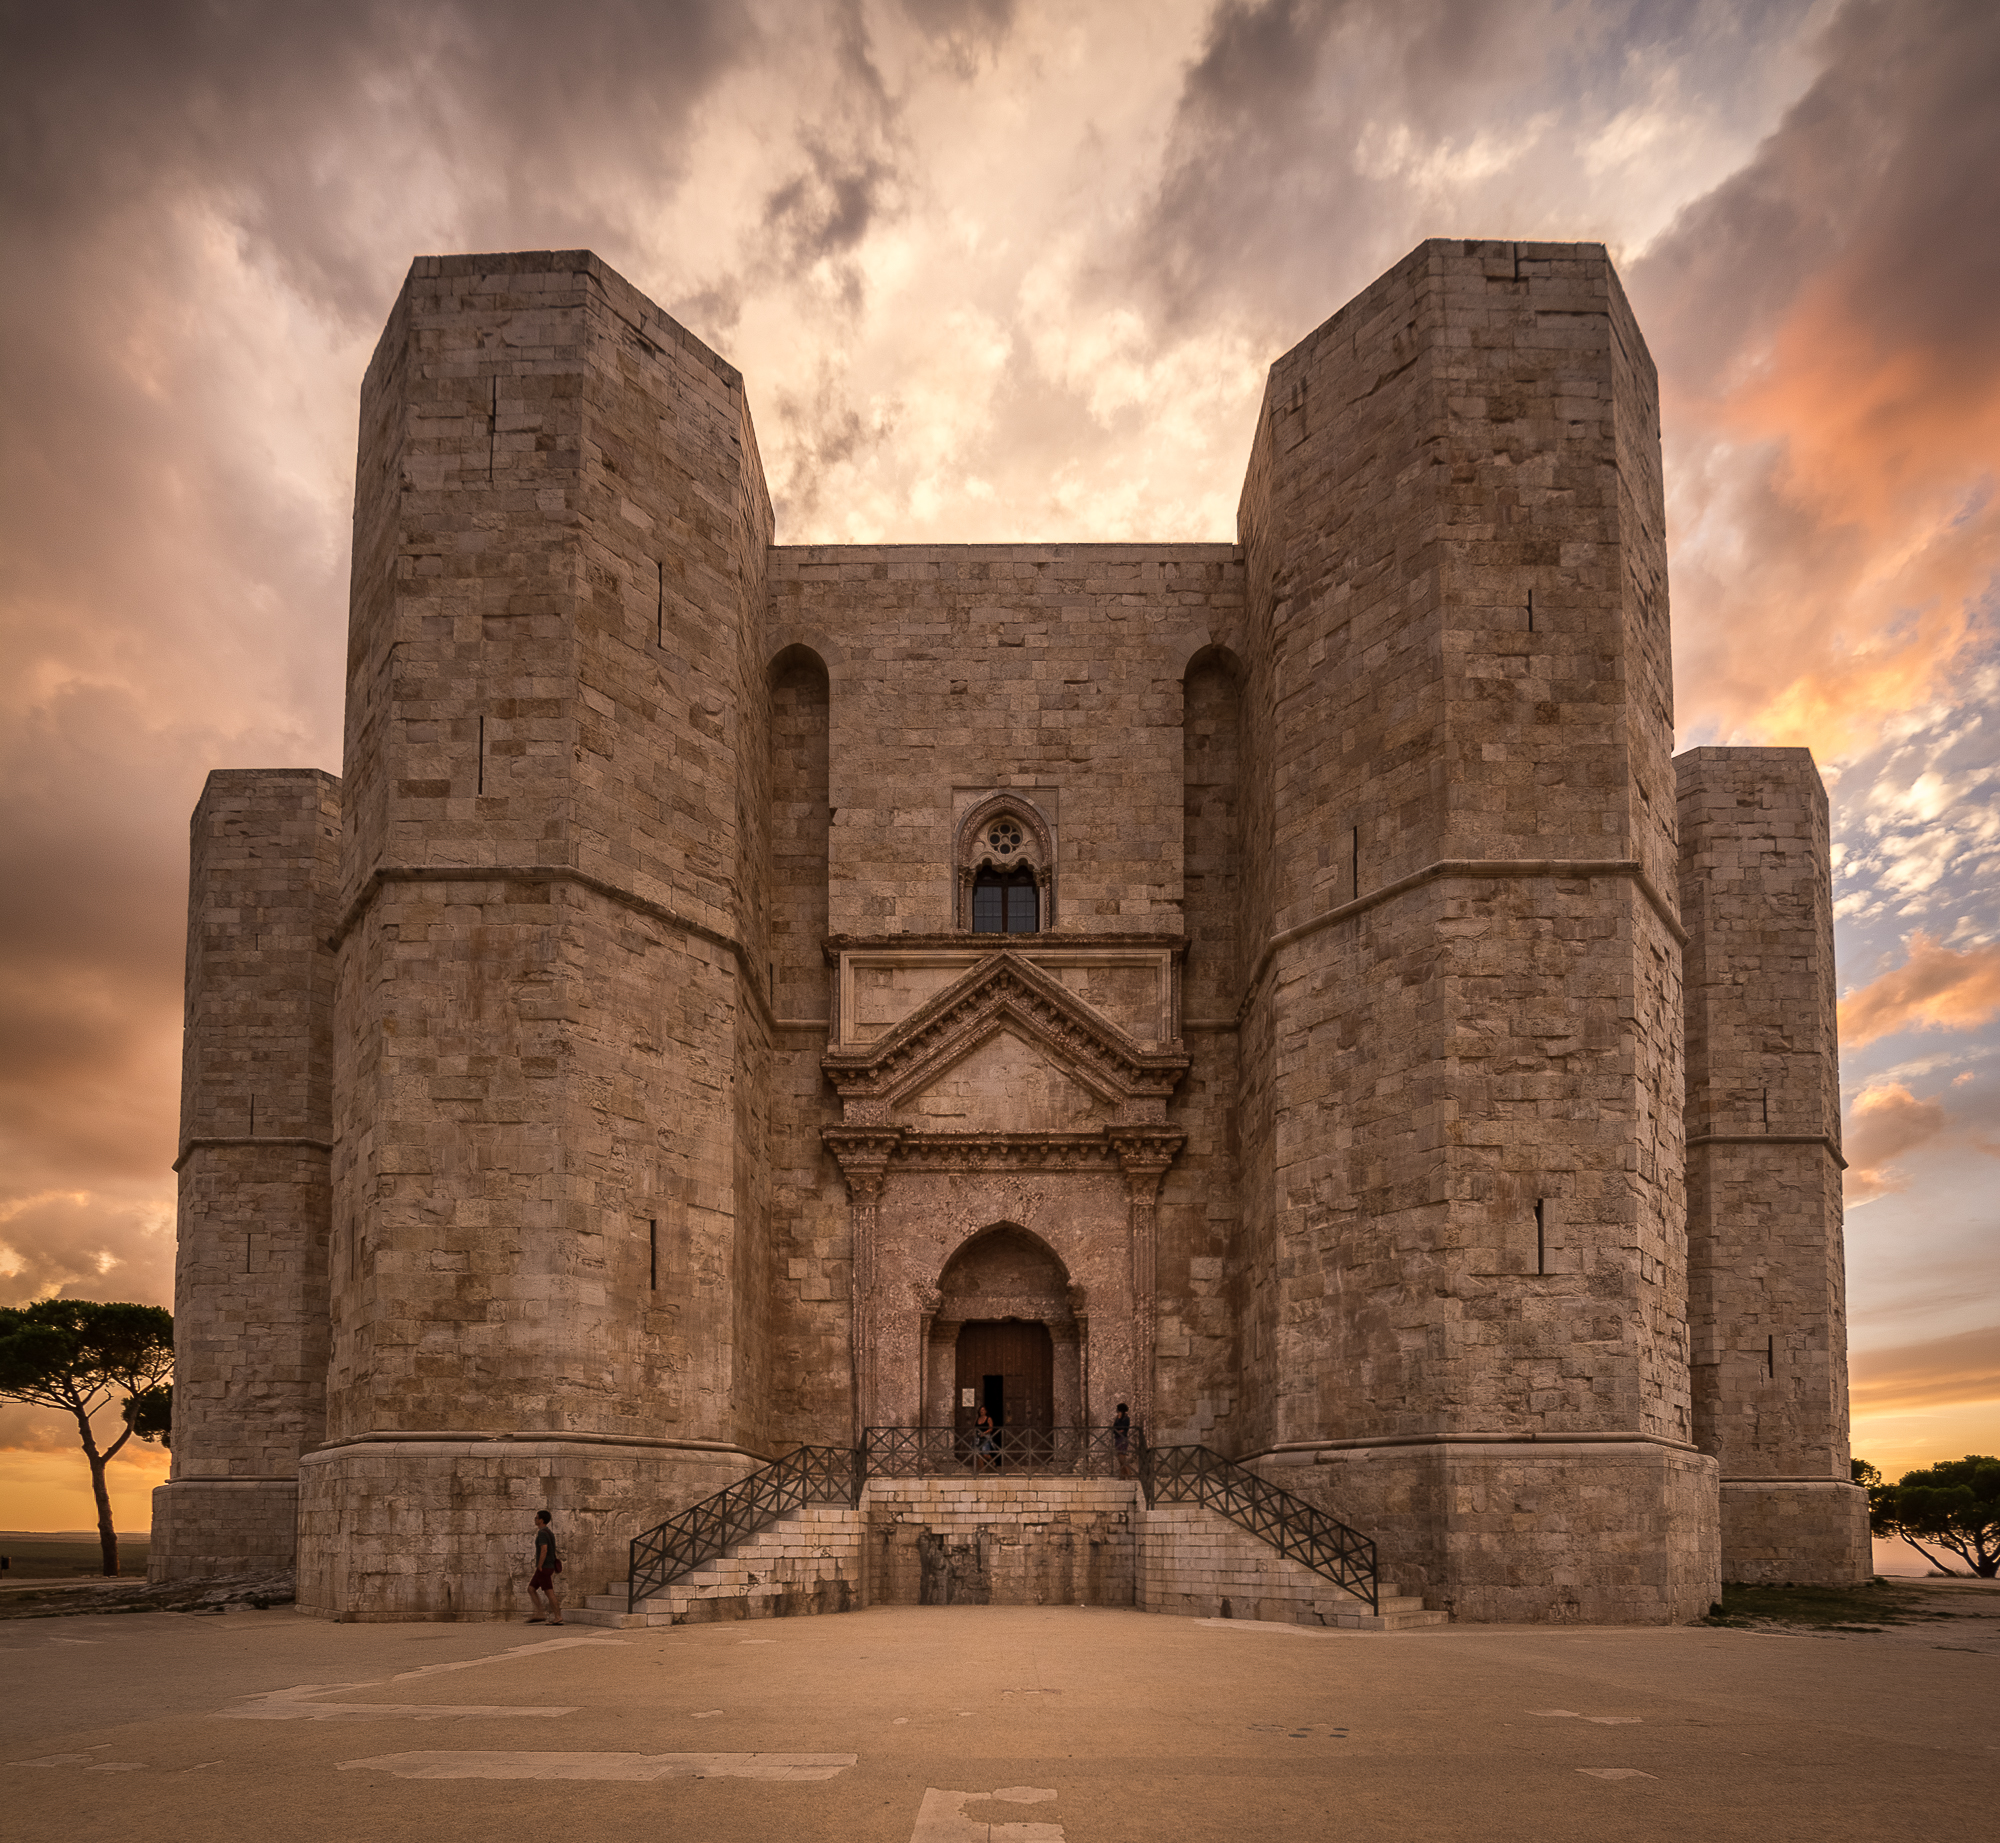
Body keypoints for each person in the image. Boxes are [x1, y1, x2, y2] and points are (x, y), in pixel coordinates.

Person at [527, 1509, 564, 1624]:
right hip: (547, 1566)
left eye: (536, 1517)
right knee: (531, 1589)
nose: (535, 1519)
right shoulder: (549, 1532)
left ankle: (557, 1616)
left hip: (544, 1567)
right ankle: (539, 1613)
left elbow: (544, 1549)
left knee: (549, 1592)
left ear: (541, 1520)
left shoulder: (542, 1533)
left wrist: (539, 1565)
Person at [973, 1404, 999, 1473]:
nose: (981, 1411)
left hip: (986, 1438)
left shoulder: (988, 1419)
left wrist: (984, 1433)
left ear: (986, 1411)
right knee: (978, 1455)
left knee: (985, 1454)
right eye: (980, 1410)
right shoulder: (977, 1419)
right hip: (978, 1438)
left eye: (983, 1410)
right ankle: (982, 1471)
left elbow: (991, 1429)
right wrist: (974, 1433)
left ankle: (993, 1462)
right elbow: (974, 1428)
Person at [1112, 1402, 1133, 1479]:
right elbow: (1114, 1429)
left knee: (1122, 1458)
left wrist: (1119, 1420)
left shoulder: (1126, 1418)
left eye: (1118, 1411)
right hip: (1117, 1439)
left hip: (1123, 1439)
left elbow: (1124, 1429)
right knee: (1120, 1458)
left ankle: (1129, 1474)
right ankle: (1122, 1476)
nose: (1117, 1412)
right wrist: (1118, 1430)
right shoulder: (1117, 1418)